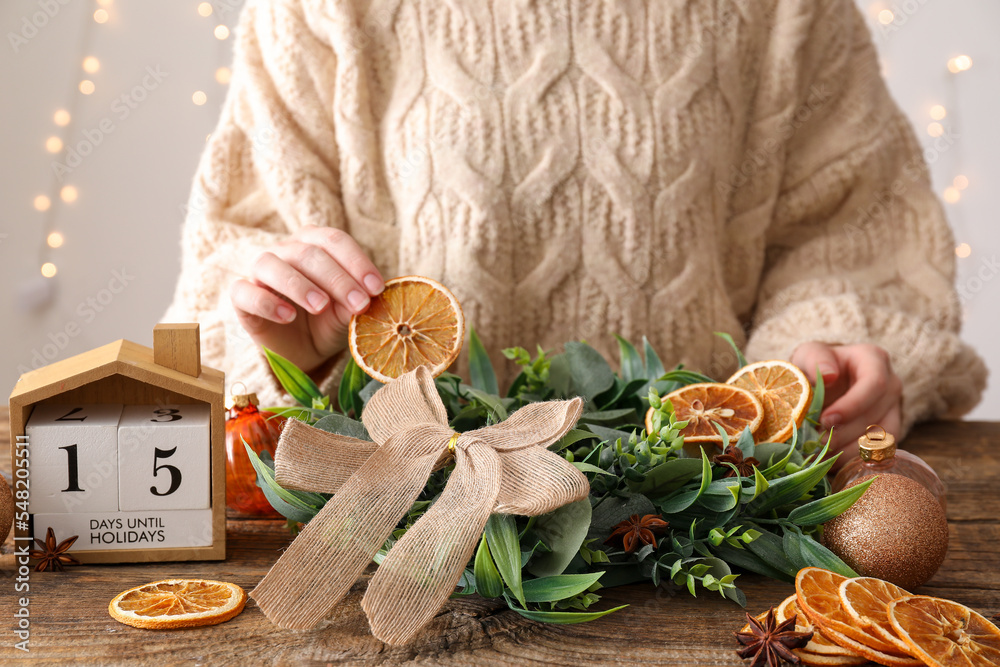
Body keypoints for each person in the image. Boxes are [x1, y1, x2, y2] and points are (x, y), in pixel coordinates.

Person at [163, 0, 986, 458]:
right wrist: (287, 344)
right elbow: (231, 261)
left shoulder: (784, 11)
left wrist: (826, 349)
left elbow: (846, 236)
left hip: (710, 528)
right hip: (404, 534)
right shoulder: (322, 9)